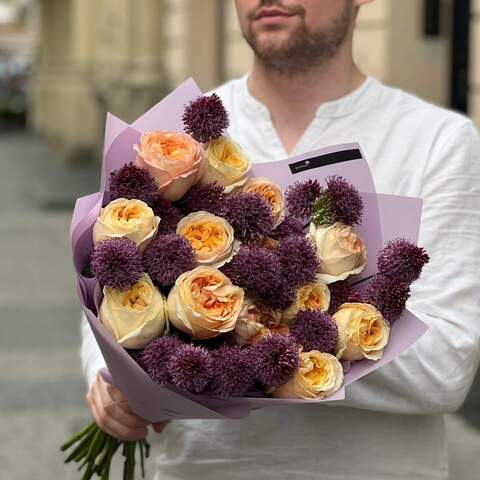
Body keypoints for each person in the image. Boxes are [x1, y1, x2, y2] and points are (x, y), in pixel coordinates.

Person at [80, 1, 480, 478]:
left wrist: (254, 338)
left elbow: (447, 368)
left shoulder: (438, 141)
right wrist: (110, 377)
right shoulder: (179, 139)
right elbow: (109, 283)